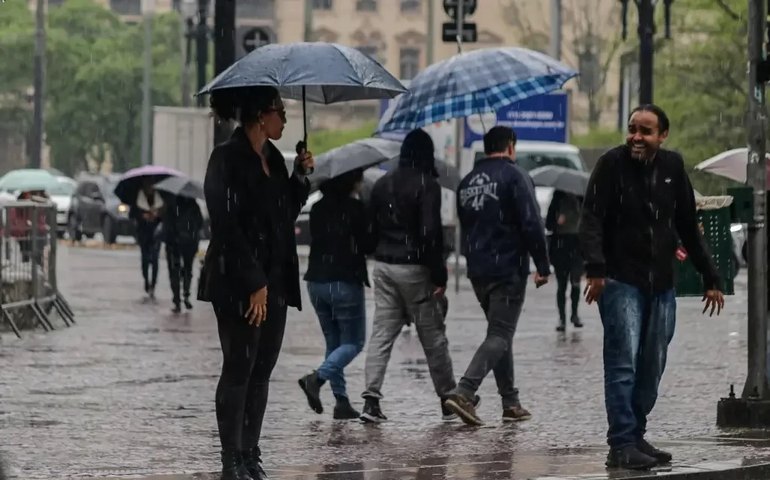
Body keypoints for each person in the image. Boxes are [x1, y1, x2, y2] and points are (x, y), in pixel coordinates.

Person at [579, 104, 725, 470]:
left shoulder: (673, 168)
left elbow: (688, 225)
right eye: (632, 129)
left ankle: (636, 435)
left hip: (660, 283)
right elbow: (591, 218)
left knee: (652, 364)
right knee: (623, 363)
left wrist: (711, 277)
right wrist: (596, 270)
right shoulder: (611, 165)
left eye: (645, 131)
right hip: (619, 281)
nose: (636, 138)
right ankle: (621, 443)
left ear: (662, 136)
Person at [197, 86, 313, 480]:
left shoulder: (275, 160)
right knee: (238, 367)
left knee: (262, 371)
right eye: (281, 111)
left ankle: (250, 453)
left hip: (275, 280)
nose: (285, 119)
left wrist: (300, 177)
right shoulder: (226, 158)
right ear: (261, 115)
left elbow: (282, 216)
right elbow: (225, 224)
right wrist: (252, 281)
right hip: (236, 280)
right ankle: (231, 459)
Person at [443, 126, 550, 426]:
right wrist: (542, 265)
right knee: (501, 334)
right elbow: (531, 223)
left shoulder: (465, 183)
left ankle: (510, 402)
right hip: (507, 268)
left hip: (478, 270)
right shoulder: (515, 176)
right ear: (511, 146)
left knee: (500, 334)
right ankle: (464, 391)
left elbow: (467, 225)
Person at [360, 128, 460, 423]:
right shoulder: (427, 185)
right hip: (414, 269)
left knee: (382, 333)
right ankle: (448, 397)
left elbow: (369, 230)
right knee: (433, 336)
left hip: (384, 265)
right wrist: (438, 273)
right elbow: (429, 233)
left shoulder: (381, 184)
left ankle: (370, 399)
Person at [298, 168, 376, 420]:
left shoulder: (319, 208)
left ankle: (341, 402)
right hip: (344, 281)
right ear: (350, 181)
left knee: (334, 344)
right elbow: (368, 245)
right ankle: (317, 379)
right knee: (354, 342)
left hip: (316, 282)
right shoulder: (355, 208)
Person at [545, 190, 584, 332]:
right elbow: (548, 224)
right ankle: (562, 318)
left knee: (575, 282)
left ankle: (574, 314)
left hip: (577, 245)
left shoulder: (581, 198)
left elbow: (589, 221)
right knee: (562, 285)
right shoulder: (558, 198)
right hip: (561, 245)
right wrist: (557, 220)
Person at [163, 194, 203, 313]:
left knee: (175, 271)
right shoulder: (193, 205)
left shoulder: (172, 204)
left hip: (175, 244)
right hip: (189, 243)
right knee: (187, 270)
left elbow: (167, 224)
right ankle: (186, 294)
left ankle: (177, 300)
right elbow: (200, 223)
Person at [130, 180, 163, 299]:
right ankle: (146, 280)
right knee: (145, 260)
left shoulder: (159, 199)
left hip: (156, 234)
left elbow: (163, 216)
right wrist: (142, 216)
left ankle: (153, 284)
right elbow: (132, 214)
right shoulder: (138, 199)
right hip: (143, 233)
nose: (150, 187)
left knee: (154, 260)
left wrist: (157, 215)